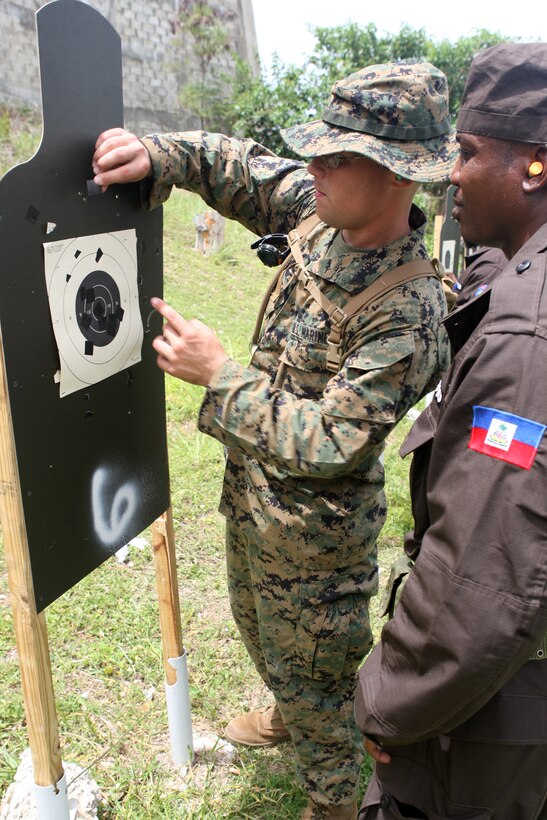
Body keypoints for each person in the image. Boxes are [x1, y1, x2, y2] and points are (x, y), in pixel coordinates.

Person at [92, 61, 456, 819]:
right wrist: (158, 154)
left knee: (319, 677)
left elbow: (334, 442)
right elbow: (236, 166)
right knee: (259, 629)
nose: (313, 167)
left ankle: (337, 799)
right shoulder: (318, 209)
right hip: (253, 495)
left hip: (315, 542)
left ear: (395, 176)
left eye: (338, 155)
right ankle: (294, 711)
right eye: (316, 150)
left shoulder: (409, 310)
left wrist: (219, 375)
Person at [355, 42, 547, 820]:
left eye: (466, 152)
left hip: (481, 724)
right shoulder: (515, 281)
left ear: (533, 164)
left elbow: (486, 573)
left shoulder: (524, 336)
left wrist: (386, 700)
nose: (450, 174)